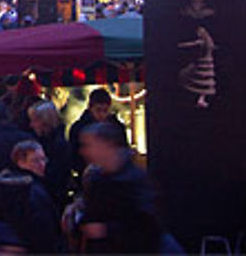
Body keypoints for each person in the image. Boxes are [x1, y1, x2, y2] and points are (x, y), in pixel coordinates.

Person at [78, 121, 162, 254]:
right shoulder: (97, 179)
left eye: (89, 145)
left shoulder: (133, 181)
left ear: (106, 145)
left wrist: (105, 230)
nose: (84, 151)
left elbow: (147, 228)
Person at [0, 139, 59, 255]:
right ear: (20, 162)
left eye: (43, 159)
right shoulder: (33, 190)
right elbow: (44, 229)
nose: (42, 165)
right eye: (35, 161)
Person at [67, 88, 126, 176]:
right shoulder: (78, 129)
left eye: (105, 111)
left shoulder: (117, 128)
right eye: (98, 110)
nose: (102, 115)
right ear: (90, 108)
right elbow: (73, 156)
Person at [26, 100, 72, 212]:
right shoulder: (49, 141)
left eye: (34, 121)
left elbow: (55, 175)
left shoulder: (56, 145)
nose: (31, 125)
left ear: (45, 121)